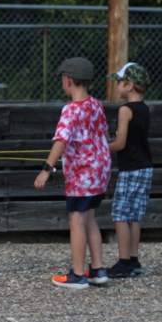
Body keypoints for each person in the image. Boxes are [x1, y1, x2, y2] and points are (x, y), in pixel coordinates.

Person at [35, 56, 112, 289]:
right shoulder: (96, 104)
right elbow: (104, 135)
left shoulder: (71, 109)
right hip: (101, 170)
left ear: (67, 80)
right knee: (90, 217)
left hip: (83, 173)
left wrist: (46, 169)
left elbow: (61, 140)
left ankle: (78, 274)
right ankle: (97, 269)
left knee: (76, 220)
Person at [106, 62, 153, 278]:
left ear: (130, 85)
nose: (116, 86)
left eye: (119, 82)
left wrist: (101, 149)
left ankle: (123, 261)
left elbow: (121, 143)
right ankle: (134, 260)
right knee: (135, 215)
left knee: (120, 213)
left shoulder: (125, 110)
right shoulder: (144, 109)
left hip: (130, 168)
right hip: (145, 167)